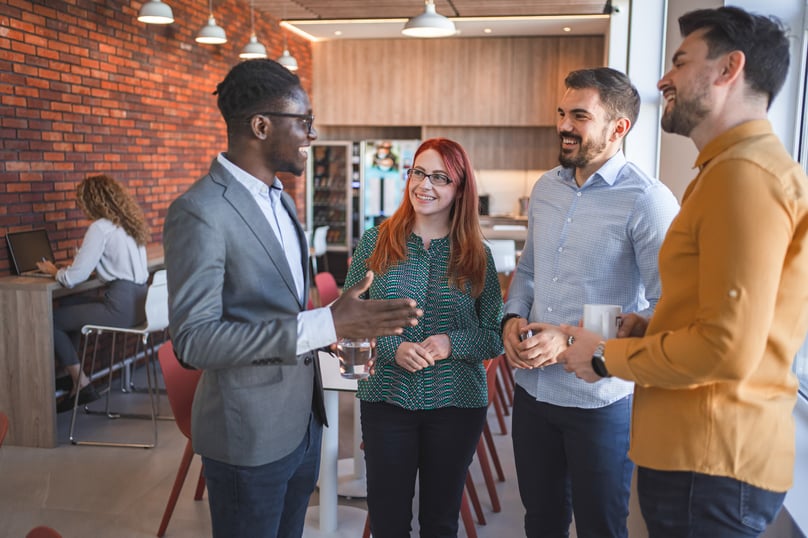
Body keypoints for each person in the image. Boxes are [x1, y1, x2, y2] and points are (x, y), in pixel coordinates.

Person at [561, 7, 808, 537]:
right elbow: (729, 320)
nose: (661, 79)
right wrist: (650, 329)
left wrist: (605, 356)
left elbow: (728, 348)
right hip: (701, 457)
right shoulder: (725, 170)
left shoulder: (744, 177)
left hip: (711, 462)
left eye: (679, 62)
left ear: (728, 69)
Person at [162, 59, 422, 538]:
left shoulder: (281, 199)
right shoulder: (199, 212)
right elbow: (194, 343)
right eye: (303, 121)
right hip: (249, 436)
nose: (312, 134)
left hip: (303, 421)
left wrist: (332, 331)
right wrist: (326, 324)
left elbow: (280, 312)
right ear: (261, 126)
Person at [500, 67, 680, 538]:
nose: (563, 125)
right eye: (562, 112)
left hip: (601, 401)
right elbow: (531, 271)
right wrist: (512, 317)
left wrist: (571, 337)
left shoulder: (649, 201)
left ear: (618, 128)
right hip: (534, 393)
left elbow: (671, 308)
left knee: (601, 527)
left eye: (579, 115)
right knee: (540, 521)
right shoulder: (545, 189)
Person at [343, 137, 504, 537]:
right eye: (418, 172)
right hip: (386, 398)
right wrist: (391, 348)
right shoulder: (375, 242)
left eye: (440, 177)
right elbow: (345, 320)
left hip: (456, 403)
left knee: (440, 521)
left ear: (459, 189)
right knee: (388, 520)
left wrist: (453, 343)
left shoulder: (477, 254)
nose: (425, 185)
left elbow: (493, 336)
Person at [36, 174, 150, 413]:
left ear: (92, 201)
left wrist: (54, 270)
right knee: (75, 304)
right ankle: (70, 373)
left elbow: (72, 278)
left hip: (120, 307)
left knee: (51, 320)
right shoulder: (129, 225)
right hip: (139, 306)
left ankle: (81, 382)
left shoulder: (100, 227)